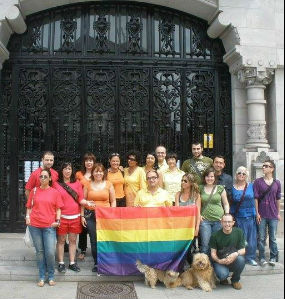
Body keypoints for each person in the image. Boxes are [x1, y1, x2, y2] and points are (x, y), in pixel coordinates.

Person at [25, 168, 63, 287]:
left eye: (45, 177)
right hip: (35, 226)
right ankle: (42, 276)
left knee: (50, 252)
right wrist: (27, 217)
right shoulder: (34, 191)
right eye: (41, 176)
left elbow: (58, 209)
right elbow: (29, 206)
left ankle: (51, 275)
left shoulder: (55, 192)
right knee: (40, 252)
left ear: (50, 178)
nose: (42, 178)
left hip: (49, 226)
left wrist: (57, 221)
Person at [82, 163, 116, 272]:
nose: (98, 173)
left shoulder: (109, 184)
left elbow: (113, 200)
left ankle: (107, 261)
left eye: (100, 171)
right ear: (93, 173)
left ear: (104, 172)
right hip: (91, 215)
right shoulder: (87, 184)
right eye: (96, 171)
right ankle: (97, 262)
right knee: (94, 239)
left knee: (106, 238)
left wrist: (112, 212)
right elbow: (82, 201)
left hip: (105, 216)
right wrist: (82, 216)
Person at [54, 162, 84, 273]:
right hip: (61, 216)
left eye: (69, 169)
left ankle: (72, 263)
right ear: (61, 171)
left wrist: (86, 204)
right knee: (61, 240)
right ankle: (61, 263)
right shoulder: (56, 184)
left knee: (73, 240)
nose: (67, 171)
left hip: (75, 216)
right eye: (65, 169)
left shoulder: (77, 183)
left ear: (72, 171)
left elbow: (81, 199)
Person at [254, 159, 282, 267]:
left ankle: (273, 257)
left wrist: (278, 213)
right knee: (261, 237)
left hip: (273, 214)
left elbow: (278, 198)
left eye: (266, 166)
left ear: (272, 169)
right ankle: (261, 258)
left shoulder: (277, 183)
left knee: (273, 237)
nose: (264, 167)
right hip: (262, 213)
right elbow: (256, 198)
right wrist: (257, 213)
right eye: (263, 165)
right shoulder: (258, 182)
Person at [210, 213, 246, 290]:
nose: (227, 224)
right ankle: (223, 278)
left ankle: (235, 280)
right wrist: (219, 261)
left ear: (233, 223)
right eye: (225, 222)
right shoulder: (215, 236)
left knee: (241, 260)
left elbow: (243, 250)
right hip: (220, 261)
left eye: (229, 222)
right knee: (223, 274)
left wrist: (235, 254)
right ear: (221, 222)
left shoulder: (239, 232)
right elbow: (213, 253)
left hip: (233, 259)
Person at [230, 166, 257, 266]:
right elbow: (231, 203)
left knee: (251, 238)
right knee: (240, 239)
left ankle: (250, 257)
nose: (241, 175)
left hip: (251, 216)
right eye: (239, 173)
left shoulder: (252, 186)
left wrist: (258, 213)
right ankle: (240, 258)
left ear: (247, 176)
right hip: (238, 217)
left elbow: (256, 200)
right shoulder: (232, 188)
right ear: (236, 175)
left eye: (243, 173)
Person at [199, 167, 229, 255]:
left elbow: (226, 203)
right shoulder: (200, 188)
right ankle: (204, 266)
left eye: (212, 176)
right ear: (204, 177)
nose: (210, 178)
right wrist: (199, 215)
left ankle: (215, 264)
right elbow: (196, 203)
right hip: (205, 221)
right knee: (205, 245)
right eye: (207, 176)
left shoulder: (220, 188)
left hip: (218, 220)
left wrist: (226, 215)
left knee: (217, 244)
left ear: (215, 178)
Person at [75, 152, 96, 260]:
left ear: (94, 162)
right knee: (82, 228)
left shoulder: (97, 173)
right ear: (84, 162)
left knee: (95, 230)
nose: (89, 162)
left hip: (95, 204)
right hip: (82, 203)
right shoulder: (79, 174)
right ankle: (82, 249)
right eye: (87, 160)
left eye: (91, 160)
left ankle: (96, 250)